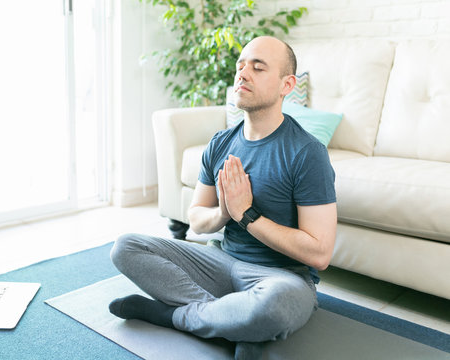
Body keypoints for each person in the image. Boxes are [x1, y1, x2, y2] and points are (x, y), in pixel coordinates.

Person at [108, 36, 337, 359]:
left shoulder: (307, 153)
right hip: (219, 263)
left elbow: (319, 254)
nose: (242, 74)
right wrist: (225, 214)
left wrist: (247, 215)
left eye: (258, 68)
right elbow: (198, 218)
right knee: (126, 247)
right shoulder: (220, 143)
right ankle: (234, 322)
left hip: (281, 278)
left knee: (272, 309)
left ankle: (170, 316)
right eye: (240, 66)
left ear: (287, 85)